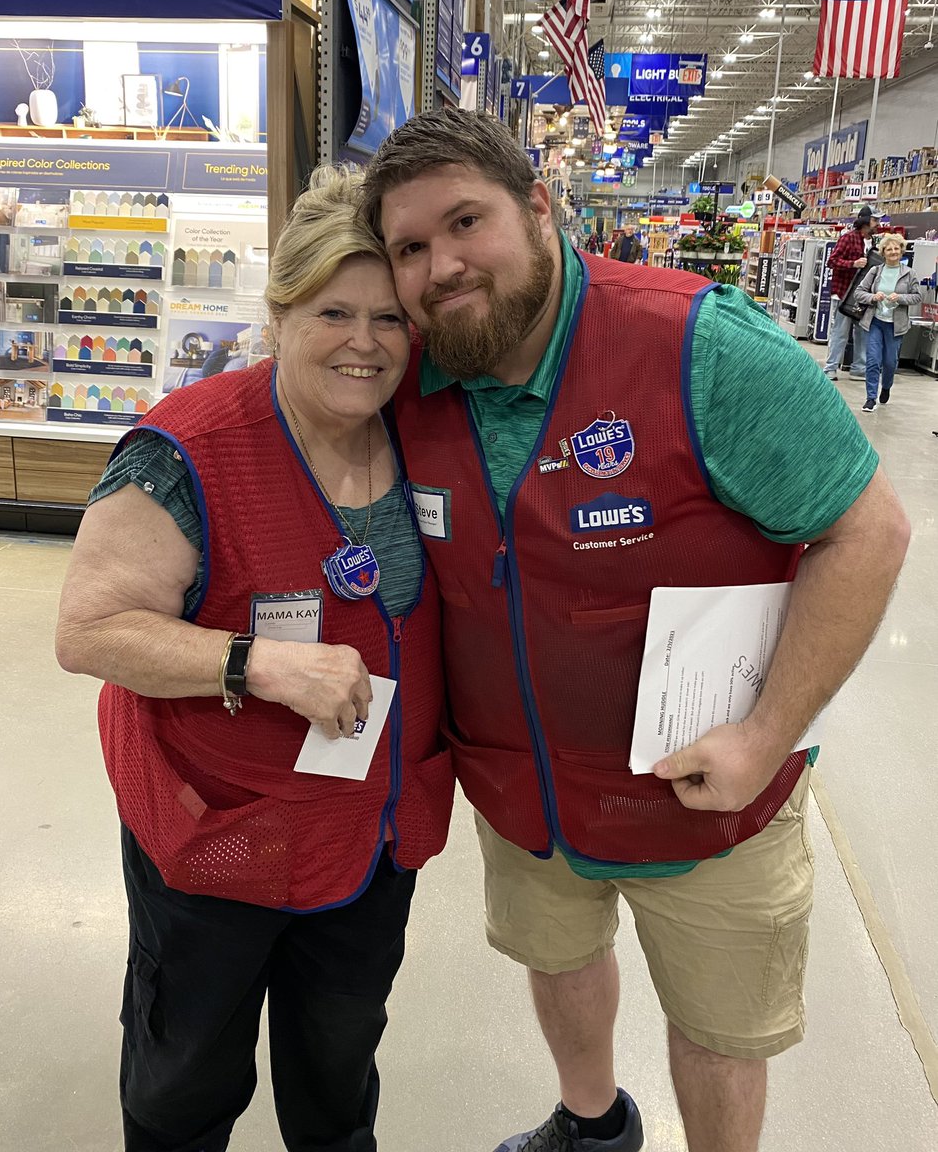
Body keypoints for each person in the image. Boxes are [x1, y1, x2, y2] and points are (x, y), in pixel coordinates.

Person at [361, 109, 910, 1152]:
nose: (440, 267)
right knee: (558, 960)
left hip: (706, 796)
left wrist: (765, 733)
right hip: (524, 793)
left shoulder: (699, 345)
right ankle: (590, 1123)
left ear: (539, 207)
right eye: (409, 248)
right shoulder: (410, 381)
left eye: (465, 221)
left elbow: (867, 532)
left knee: (716, 1026)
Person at [54, 165, 454, 1152]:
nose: (364, 343)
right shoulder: (186, 450)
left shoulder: (428, 437)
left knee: (337, 1068)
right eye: (333, 312)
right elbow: (90, 630)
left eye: (389, 320)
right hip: (217, 843)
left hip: (369, 840)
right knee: (187, 1076)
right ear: (278, 314)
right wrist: (257, 665)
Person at [855, 232, 922, 412]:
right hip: (875, 322)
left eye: (896, 248)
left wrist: (899, 297)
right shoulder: (875, 271)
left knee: (890, 363)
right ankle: (870, 398)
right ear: (883, 252)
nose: (893, 252)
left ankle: (886, 386)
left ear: (901, 251)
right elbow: (858, 292)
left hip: (895, 325)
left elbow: (917, 297)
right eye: (889, 249)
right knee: (872, 360)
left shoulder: (909, 274)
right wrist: (872, 297)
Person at [823, 212, 878, 381]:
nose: (877, 223)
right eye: (875, 219)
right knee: (840, 331)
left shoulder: (873, 242)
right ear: (865, 220)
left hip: (863, 296)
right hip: (844, 293)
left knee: (862, 331)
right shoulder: (848, 238)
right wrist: (852, 264)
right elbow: (831, 261)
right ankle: (830, 367)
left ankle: (859, 368)